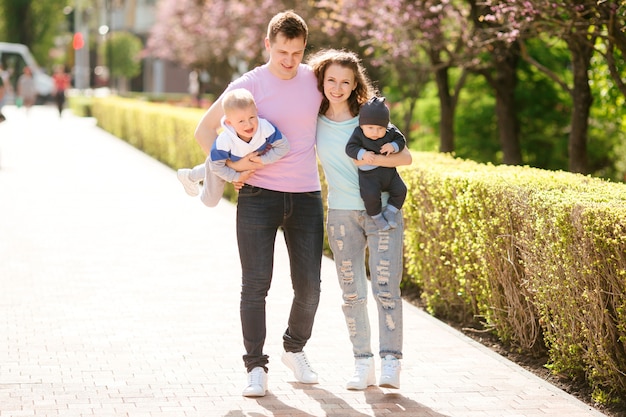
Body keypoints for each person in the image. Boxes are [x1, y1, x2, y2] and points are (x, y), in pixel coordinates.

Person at [193, 11, 323, 397]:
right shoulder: (248, 85)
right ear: (268, 45)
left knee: (311, 288)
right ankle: (255, 366)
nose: (289, 60)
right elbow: (204, 130)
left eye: (297, 52)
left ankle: (295, 348)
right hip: (257, 198)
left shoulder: (313, 79)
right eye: (282, 51)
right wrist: (231, 170)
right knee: (255, 286)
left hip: (306, 196)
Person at [308, 48, 412, 390]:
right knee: (352, 294)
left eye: (345, 82)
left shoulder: (371, 118)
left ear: (356, 86)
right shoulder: (314, 120)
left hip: (382, 212)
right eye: (331, 80)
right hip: (340, 214)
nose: (337, 87)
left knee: (386, 289)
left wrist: (370, 159)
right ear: (322, 81)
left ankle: (390, 361)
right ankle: (362, 362)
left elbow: (406, 157)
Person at [177, 88, 289, 206]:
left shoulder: (265, 128)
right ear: (229, 122)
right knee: (210, 201)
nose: (248, 124)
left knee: (214, 166)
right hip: (220, 162)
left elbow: (284, 146)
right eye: (241, 121)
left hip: (230, 161)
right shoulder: (224, 141)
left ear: (256, 111)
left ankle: (189, 175)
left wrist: (264, 159)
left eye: (252, 117)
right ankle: (191, 176)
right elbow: (216, 166)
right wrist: (236, 177)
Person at [345, 97, 407, 231]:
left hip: (389, 173)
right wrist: (363, 154)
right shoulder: (359, 133)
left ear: (386, 126)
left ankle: (391, 212)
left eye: (380, 128)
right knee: (370, 196)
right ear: (362, 126)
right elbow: (350, 148)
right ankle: (377, 217)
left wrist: (393, 145)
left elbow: (401, 140)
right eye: (370, 128)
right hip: (369, 176)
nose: (375, 132)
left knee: (401, 190)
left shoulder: (390, 132)